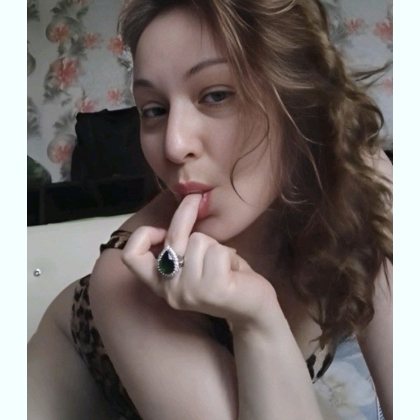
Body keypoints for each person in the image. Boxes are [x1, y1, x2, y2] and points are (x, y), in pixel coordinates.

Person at [27, 0, 393, 419]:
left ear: (299, 98)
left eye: (216, 95)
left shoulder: (360, 185)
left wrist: (258, 319)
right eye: (154, 110)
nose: (174, 144)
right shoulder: (131, 272)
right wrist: (256, 320)